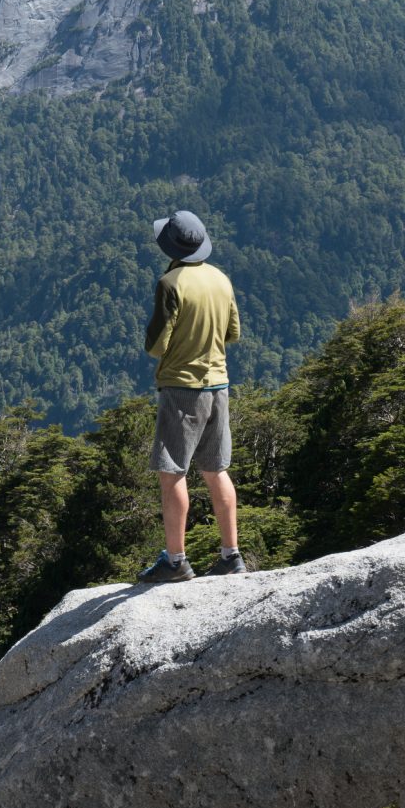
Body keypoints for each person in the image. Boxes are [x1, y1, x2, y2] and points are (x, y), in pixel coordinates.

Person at [135, 210, 245, 583]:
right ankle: (231, 555)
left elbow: (157, 345)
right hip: (219, 385)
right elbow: (233, 333)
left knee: (172, 472)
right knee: (217, 470)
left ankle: (176, 560)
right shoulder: (221, 279)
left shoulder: (170, 283)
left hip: (183, 389)